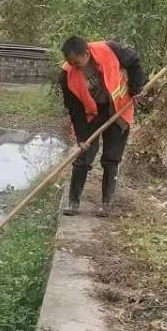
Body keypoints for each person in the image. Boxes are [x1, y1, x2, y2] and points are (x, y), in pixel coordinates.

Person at [57, 35, 146, 216]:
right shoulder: (66, 75)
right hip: (93, 114)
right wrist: (82, 138)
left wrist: (137, 89)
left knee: (111, 158)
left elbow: (133, 61)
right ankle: (73, 202)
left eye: (76, 62)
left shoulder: (109, 49)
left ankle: (107, 204)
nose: (73, 67)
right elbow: (74, 110)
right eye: (70, 63)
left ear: (86, 53)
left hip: (119, 107)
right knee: (83, 157)